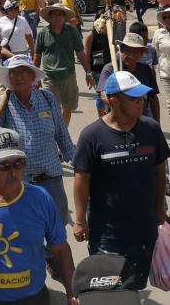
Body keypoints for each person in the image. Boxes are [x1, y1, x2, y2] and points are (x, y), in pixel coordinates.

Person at [0, 127, 76, 305]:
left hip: (32, 298)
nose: (13, 172)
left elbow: (60, 249)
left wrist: (72, 292)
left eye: (18, 163)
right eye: (3, 165)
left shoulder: (40, 199)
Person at [73, 71, 170, 289]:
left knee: (134, 286)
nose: (141, 102)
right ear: (113, 100)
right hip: (107, 234)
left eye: (142, 97)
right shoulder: (92, 136)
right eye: (133, 98)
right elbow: (81, 179)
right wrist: (79, 220)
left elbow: (159, 172)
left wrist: (159, 210)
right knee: (110, 292)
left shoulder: (151, 129)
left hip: (144, 230)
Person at [0, 54, 75, 226]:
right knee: (26, 231)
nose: (19, 76)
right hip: (20, 182)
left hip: (51, 178)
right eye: (14, 73)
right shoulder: (4, 103)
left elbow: (61, 134)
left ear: (32, 76)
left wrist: (78, 162)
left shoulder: (47, 98)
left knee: (56, 231)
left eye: (23, 72)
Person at [34, 4, 94, 127]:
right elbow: (37, 56)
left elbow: (81, 54)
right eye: (54, 14)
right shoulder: (42, 33)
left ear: (64, 17)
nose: (57, 17)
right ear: (49, 17)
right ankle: (54, 131)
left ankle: (63, 132)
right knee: (50, 108)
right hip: (49, 77)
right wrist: (35, 77)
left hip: (69, 75)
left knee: (68, 106)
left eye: (60, 14)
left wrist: (88, 73)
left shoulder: (72, 31)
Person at [97, 33, 160, 123]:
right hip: (117, 121)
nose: (131, 56)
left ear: (141, 54)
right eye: (127, 51)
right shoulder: (111, 69)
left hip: (140, 121)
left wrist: (157, 122)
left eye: (135, 52)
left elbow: (153, 98)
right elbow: (102, 94)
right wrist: (121, 108)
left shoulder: (145, 70)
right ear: (121, 51)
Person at [152, 6, 170, 117]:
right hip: (165, 74)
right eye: (164, 17)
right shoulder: (159, 34)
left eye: (169, 17)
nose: (167, 19)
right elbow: (154, 54)